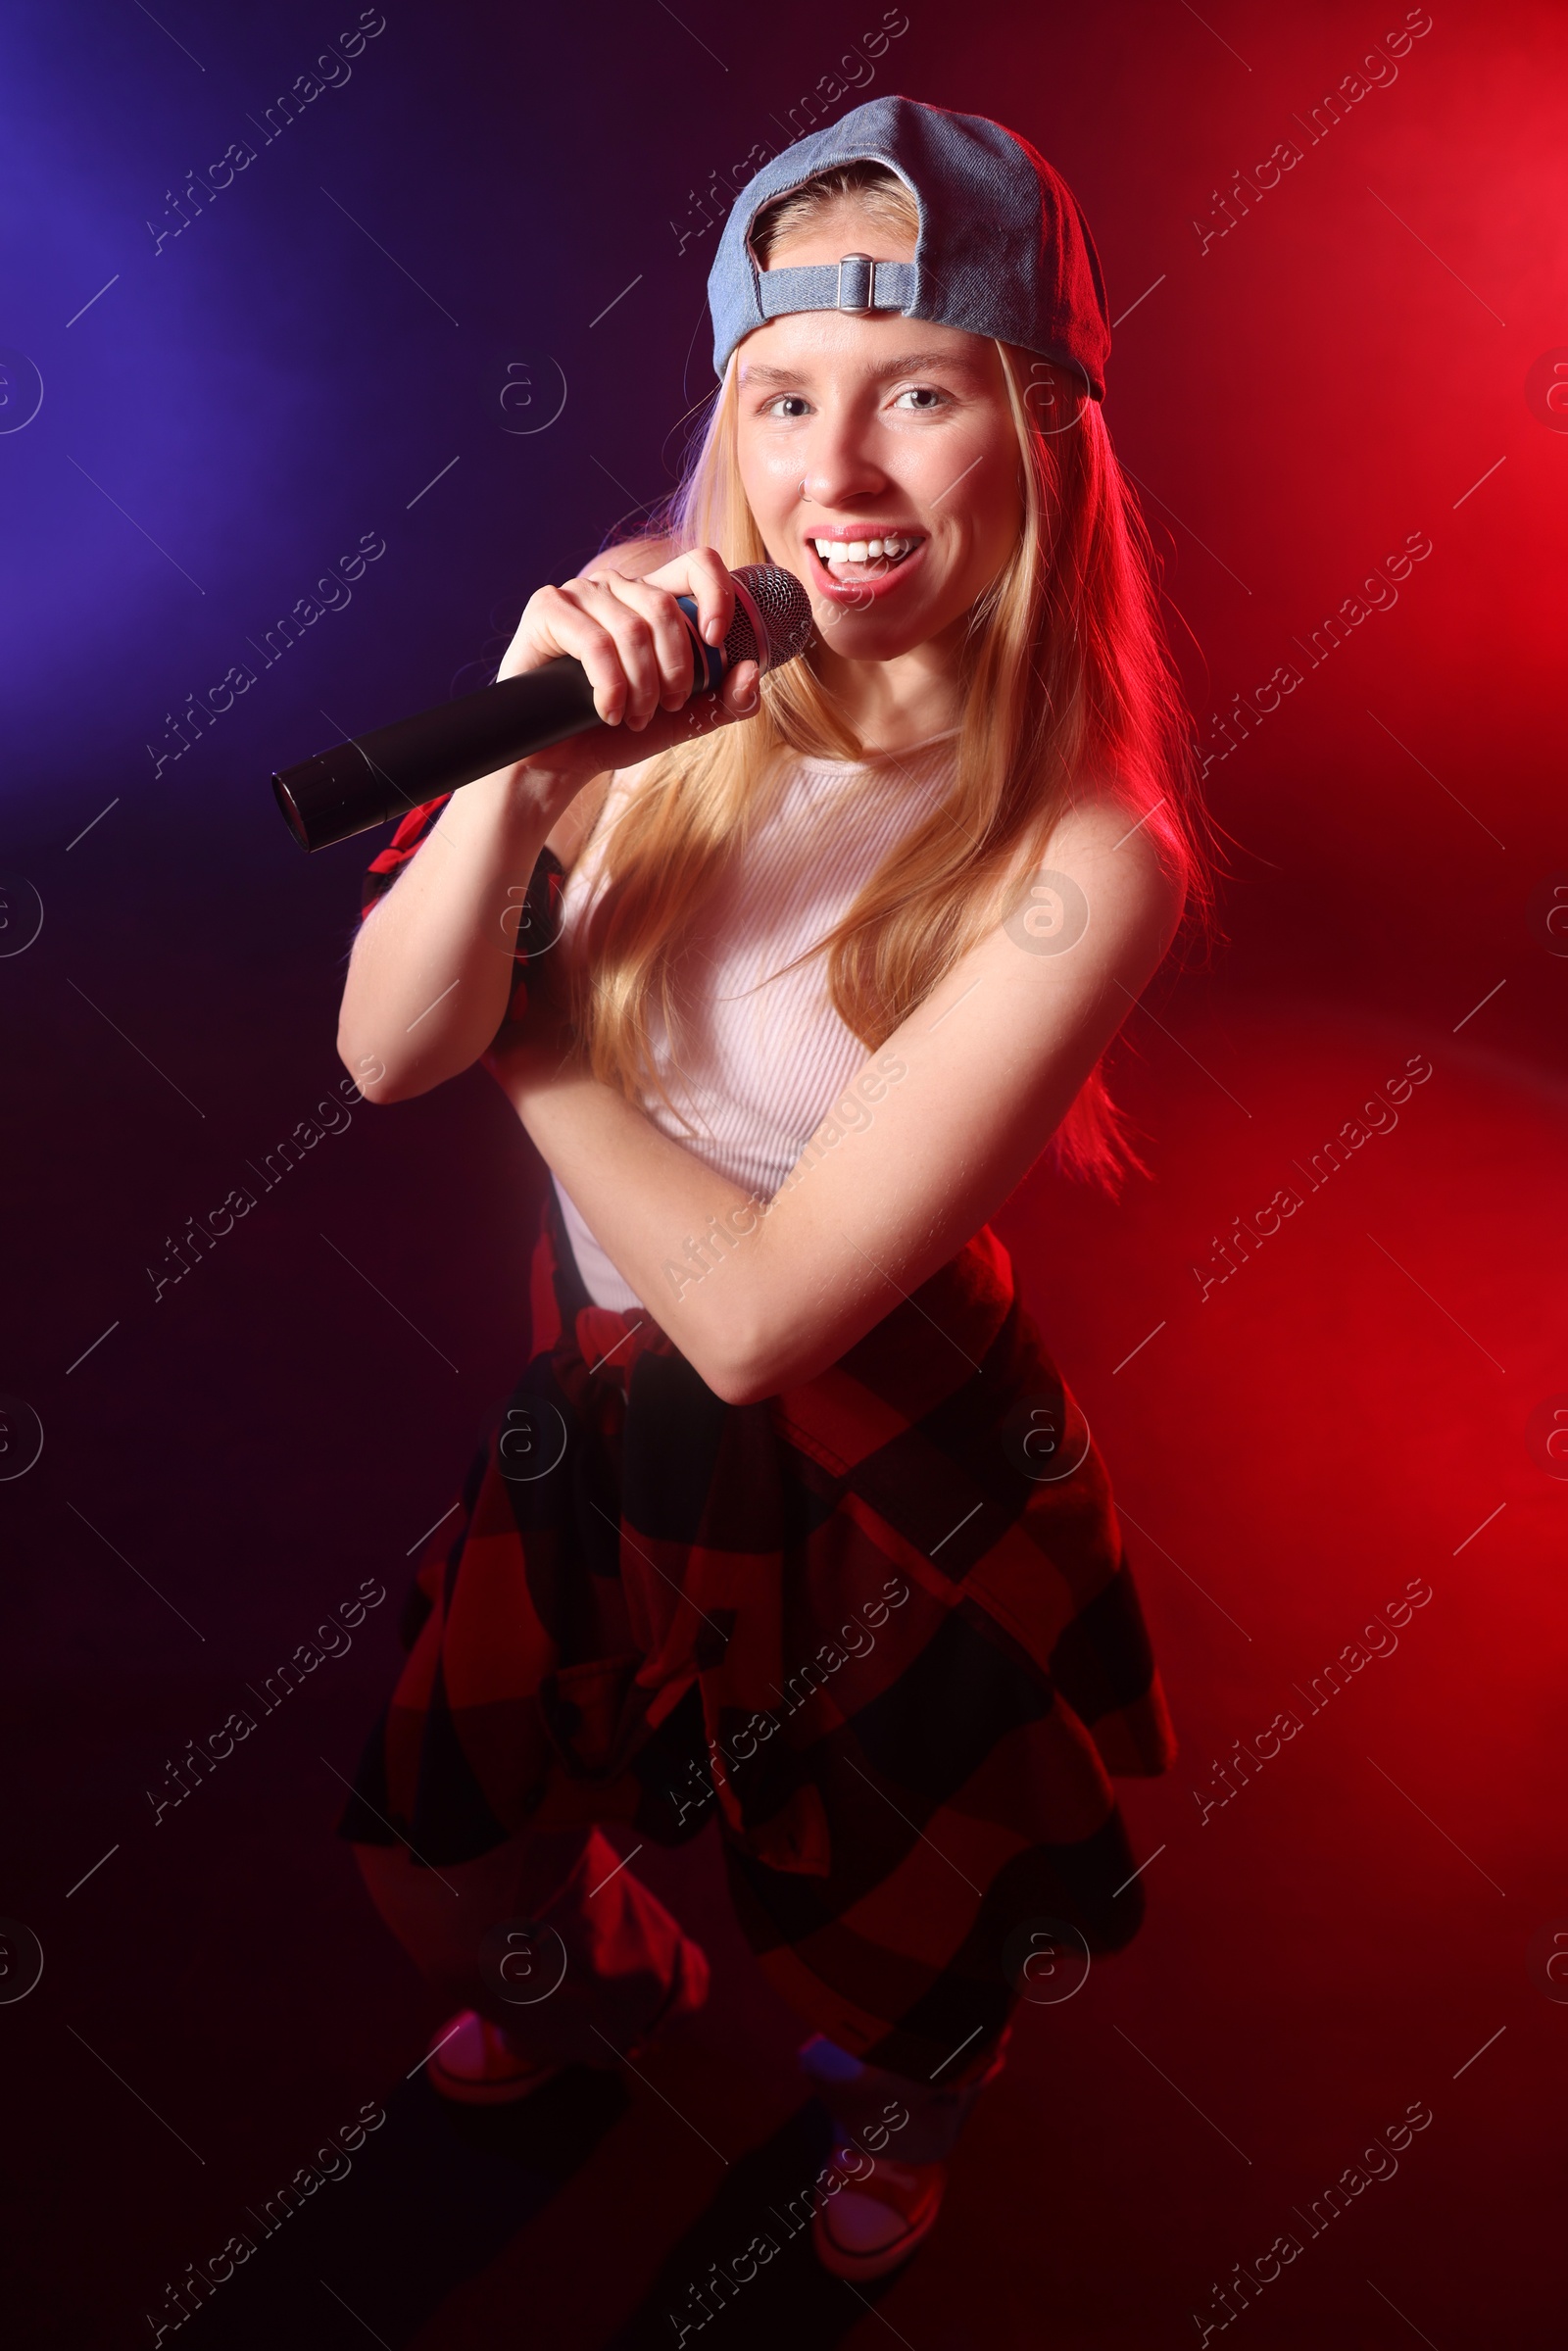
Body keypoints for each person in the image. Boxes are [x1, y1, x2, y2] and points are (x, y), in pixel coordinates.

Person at [332, 94, 1216, 2284]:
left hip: (875, 1452)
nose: (833, 474)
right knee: (440, 1863)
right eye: (780, 399)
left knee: (893, 1936)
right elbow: (376, 1047)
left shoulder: (1083, 856)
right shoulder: (643, 648)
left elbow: (750, 1320)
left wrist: (525, 1008)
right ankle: (608, 1993)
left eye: (914, 392)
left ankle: (905, 2110)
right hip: (602, 1400)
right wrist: (524, 786)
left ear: (1039, 430)